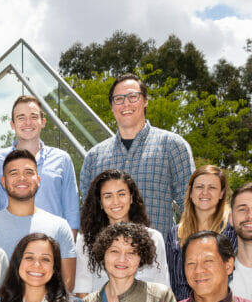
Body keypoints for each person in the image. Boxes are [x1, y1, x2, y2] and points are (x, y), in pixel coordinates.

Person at [78, 73, 195, 231]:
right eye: (119, 99)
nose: (126, 104)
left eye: (133, 96)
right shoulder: (94, 157)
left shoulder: (172, 146)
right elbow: (89, 214)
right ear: (112, 106)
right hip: (107, 254)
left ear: (145, 100)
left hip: (159, 253)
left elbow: (191, 206)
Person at [0, 95, 80, 231]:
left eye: (33, 117)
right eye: (21, 117)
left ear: (43, 122)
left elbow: (72, 213)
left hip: (51, 247)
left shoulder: (62, 160)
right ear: (12, 124)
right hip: (7, 248)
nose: (28, 122)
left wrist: (66, 249)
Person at [0, 149, 77, 290]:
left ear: (38, 180)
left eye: (28, 172)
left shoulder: (59, 226)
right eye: (14, 173)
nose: (22, 178)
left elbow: (67, 284)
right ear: (3, 182)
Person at [74, 169, 169, 294]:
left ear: (131, 197)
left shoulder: (154, 238)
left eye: (121, 194)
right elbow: (83, 291)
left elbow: (163, 288)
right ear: (100, 203)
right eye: (108, 196)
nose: (116, 202)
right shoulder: (86, 241)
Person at [164, 165, 237, 301]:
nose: (205, 192)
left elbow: (233, 278)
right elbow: (173, 283)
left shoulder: (232, 230)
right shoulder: (175, 234)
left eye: (212, 187)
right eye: (199, 187)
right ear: (191, 193)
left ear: (221, 193)